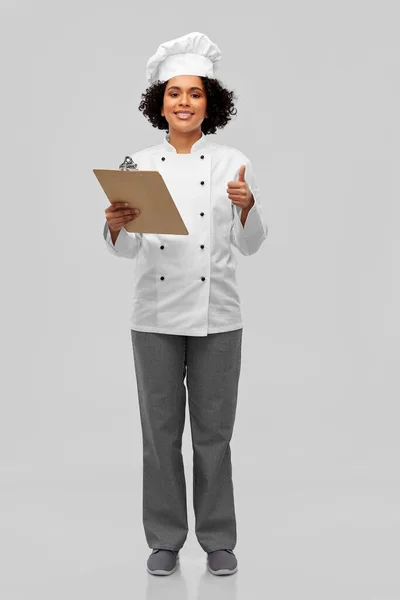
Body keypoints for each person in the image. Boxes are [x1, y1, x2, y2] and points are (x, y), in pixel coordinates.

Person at [103, 32, 268, 577]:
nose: (183, 102)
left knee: (215, 435)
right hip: (152, 316)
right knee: (160, 434)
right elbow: (130, 248)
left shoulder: (232, 162)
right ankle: (166, 539)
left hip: (219, 315)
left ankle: (219, 537)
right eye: (174, 92)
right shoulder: (139, 161)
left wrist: (247, 209)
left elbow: (250, 245)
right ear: (160, 102)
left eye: (194, 93)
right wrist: (114, 226)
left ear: (210, 102)